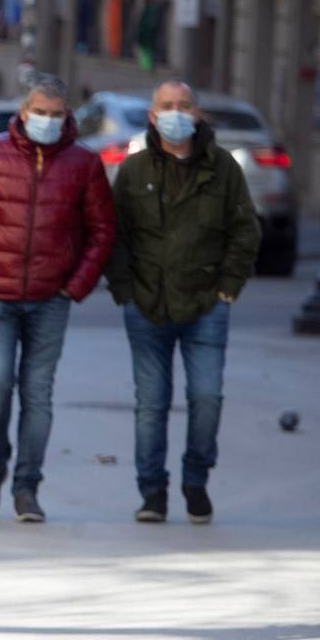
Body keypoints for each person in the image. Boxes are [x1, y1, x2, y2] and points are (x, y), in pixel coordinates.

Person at [0, 73, 116, 522]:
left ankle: (27, 486)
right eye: (41, 113)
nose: (48, 121)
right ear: (24, 112)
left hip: (50, 297)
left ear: (68, 116)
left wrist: (77, 285)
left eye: (57, 115)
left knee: (38, 394)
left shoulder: (83, 164)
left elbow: (102, 231)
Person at [106, 80, 260, 524]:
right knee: (151, 404)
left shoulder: (224, 167)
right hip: (146, 304)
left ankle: (196, 479)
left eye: (184, 105)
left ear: (197, 114)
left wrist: (228, 286)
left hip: (207, 303)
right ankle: (152, 491)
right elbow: (114, 234)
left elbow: (245, 231)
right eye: (167, 106)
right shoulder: (134, 170)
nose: (176, 112)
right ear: (153, 116)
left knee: (207, 397)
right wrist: (124, 290)